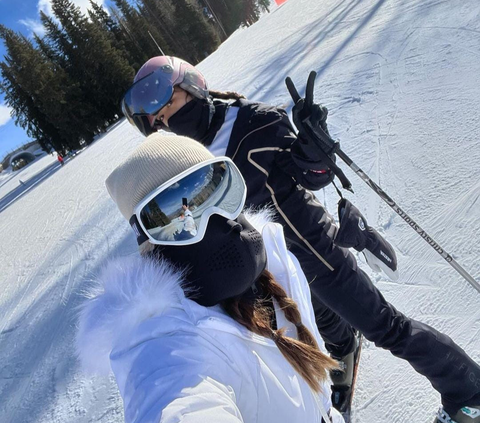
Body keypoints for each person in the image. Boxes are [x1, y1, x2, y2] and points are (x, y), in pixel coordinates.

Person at [120, 56, 480, 422]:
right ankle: (342, 348)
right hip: (270, 270)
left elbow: (311, 174)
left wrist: (314, 149)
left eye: (170, 106)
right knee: (316, 325)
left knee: (387, 328)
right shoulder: (189, 162)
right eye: (160, 123)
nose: (169, 122)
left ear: (193, 87)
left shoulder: (253, 122)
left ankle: (468, 392)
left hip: (317, 256)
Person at [76, 134, 345, 423]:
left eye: (217, 189)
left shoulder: (275, 257)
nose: (220, 219)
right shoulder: (169, 345)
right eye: (176, 215)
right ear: (150, 242)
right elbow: (177, 401)